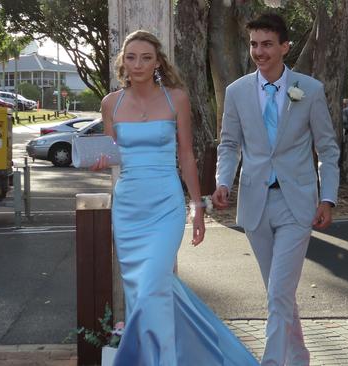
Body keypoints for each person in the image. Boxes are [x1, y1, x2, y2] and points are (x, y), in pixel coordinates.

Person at [92, 30, 258, 366]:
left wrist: (198, 207)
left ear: (158, 62)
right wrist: (98, 160)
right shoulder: (111, 103)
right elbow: (112, 155)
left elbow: (186, 155)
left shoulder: (175, 98)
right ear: (123, 61)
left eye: (146, 57)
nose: (137, 64)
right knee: (143, 293)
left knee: (153, 282)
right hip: (128, 208)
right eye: (131, 57)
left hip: (165, 204)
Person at [212, 13, 340, 366]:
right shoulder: (236, 91)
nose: (258, 51)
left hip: (296, 204)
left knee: (279, 292)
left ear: (285, 46)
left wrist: (327, 197)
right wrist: (223, 181)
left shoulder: (309, 90)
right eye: (254, 44)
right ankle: (298, 356)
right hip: (254, 204)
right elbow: (229, 145)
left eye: (267, 44)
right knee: (278, 294)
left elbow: (327, 148)